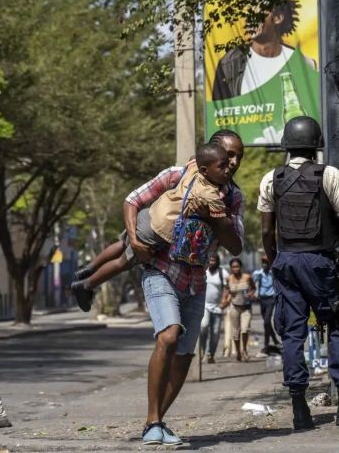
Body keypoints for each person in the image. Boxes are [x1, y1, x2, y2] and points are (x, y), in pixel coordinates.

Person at [103, 131, 246, 447]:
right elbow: (133, 200)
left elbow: (236, 245)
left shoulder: (233, 197)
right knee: (168, 335)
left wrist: (217, 219)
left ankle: (154, 422)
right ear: (209, 159)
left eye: (238, 157)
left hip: (195, 282)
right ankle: (153, 421)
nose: (233, 164)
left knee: (184, 355)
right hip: (161, 272)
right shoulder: (177, 175)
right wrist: (136, 240)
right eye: (227, 157)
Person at [258, 116, 339, 430]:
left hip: (287, 262)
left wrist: (277, 258)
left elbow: (266, 231)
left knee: (292, 333)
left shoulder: (270, 179)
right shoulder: (329, 174)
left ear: (286, 146)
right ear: (317, 145)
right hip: (321, 262)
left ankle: (300, 411)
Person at [71, 143, 234, 311]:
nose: (228, 170)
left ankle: (86, 269)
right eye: (222, 167)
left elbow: (194, 159)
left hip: (148, 215)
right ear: (206, 170)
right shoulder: (210, 194)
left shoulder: (193, 169)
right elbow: (223, 222)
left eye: (227, 165)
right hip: (155, 233)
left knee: (121, 244)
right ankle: (85, 286)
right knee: (122, 263)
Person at [212, 0, 317, 100]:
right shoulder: (229, 63)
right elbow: (218, 112)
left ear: (278, 18)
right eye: (248, 12)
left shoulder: (302, 63)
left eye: (258, 12)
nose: (249, 18)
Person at [222, 257, 256, 362]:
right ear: (231, 268)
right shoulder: (229, 278)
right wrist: (223, 300)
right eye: (233, 267)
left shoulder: (247, 277)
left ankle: (244, 350)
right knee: (235, 334)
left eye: (237, 266)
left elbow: (253, 288)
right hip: (234, 307)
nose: (235, 269)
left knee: (245, 329)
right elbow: (226, 289)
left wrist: (251, 293)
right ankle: (238, 352)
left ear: (240, 267)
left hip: (246, 308)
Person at [199, 255, 229, 363]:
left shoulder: (222, 273)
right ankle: (202, 350)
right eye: (210, 260)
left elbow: (226, 287)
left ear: (217, 262)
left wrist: (224, 300)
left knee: (215, 332)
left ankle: (210, 354)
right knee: (203, 326)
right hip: (204, 305)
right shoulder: (204, 271)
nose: (212, 262)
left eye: (214, 260)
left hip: (217, 306)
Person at [252, 256, 280, 351]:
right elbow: (254, 285)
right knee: (266, 323)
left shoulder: (273, 273)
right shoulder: (257, 274)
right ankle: (270, 342)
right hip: (262, 300)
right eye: (263, 262)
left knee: (267, 321)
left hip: (271, 299)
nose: (264, 264)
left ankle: (270, 342)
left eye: (266, 262)